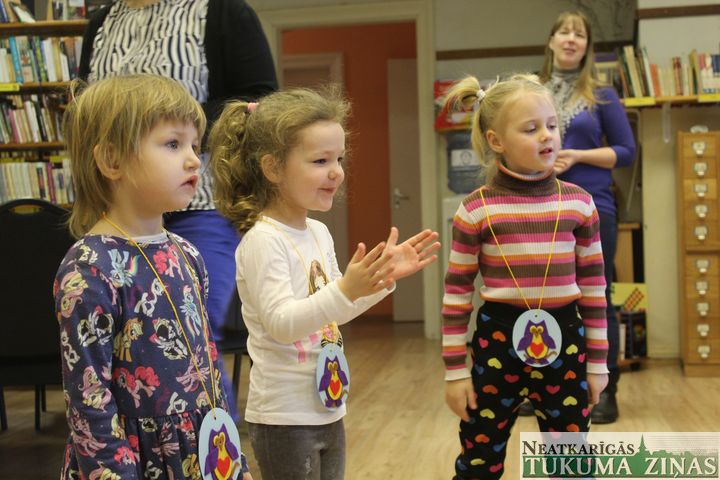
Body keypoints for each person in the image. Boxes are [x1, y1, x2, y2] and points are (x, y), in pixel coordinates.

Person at [209, 87, 441, 479]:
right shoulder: (263, 240)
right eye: (320, 160)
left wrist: (380, 280)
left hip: (327, 402)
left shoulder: (318, 232)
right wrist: (346, 288)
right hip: (284, 416)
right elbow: (282, 325)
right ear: (273, 168)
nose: (337, 171)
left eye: (339, 158)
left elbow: (334, 313)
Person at [78, 0, 278, 422]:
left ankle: (212, 442)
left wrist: (171, 132)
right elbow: (88, 382)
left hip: (201, 207)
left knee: (192, 336)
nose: (187, 155)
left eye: (188, 145)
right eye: (173, 144)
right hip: (117, 211)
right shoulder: (101, 22)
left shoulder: (221, 12)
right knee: (129, 347)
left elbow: (255, 108)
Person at [55, 74, 252, 480]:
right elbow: (88, 399)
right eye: (173, 144)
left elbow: (208, 369)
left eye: (195, 145)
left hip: (199, 452)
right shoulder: (89, 268)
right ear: (112, 161)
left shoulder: (188, 255)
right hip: (130, 461)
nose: (194, 160)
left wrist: (235, 458)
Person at [441, 74, 609, 479]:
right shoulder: (475, 209)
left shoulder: (580, 204)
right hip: (497, 343)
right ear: (496, 140)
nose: (546, 136)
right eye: (531, 129)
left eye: (551, 125)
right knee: (479, 459)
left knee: (571, 464)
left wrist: (598, 363)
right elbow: (457, 295)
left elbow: (594, 289)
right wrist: (455, 372)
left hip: (566, 339)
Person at [540, 11, 636, 424]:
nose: (571, 39)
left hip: (594, 207)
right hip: (542, 207)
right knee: (542, 297)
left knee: (597, 297)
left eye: (579, 34)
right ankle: (542, 384)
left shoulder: (602, 94)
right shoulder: (532, 92)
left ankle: (605, 390)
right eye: (563, 31)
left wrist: (577, 155)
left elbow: (626, 152)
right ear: (551, 41)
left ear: (586, 46)